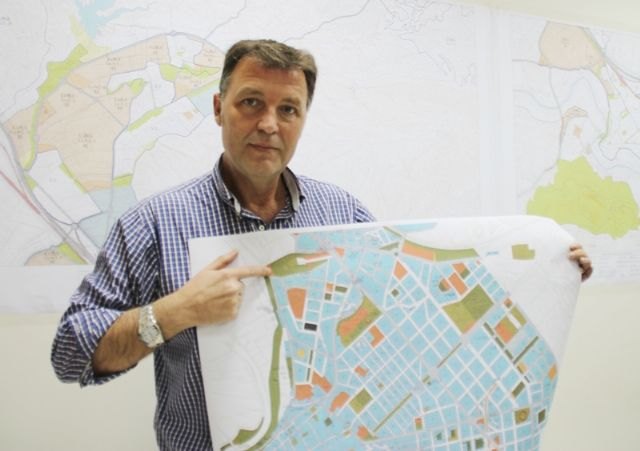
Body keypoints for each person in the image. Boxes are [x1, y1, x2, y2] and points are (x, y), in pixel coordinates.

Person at [51, 39, 593, 450]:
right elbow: (70, 352)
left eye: (288, 109)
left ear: (303, 119)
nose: (269, 124)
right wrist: (174, 312)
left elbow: (415, 314)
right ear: (218, 108)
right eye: (250, 102)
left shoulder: (343, 214)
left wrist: (547, 269)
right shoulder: (152, 224)